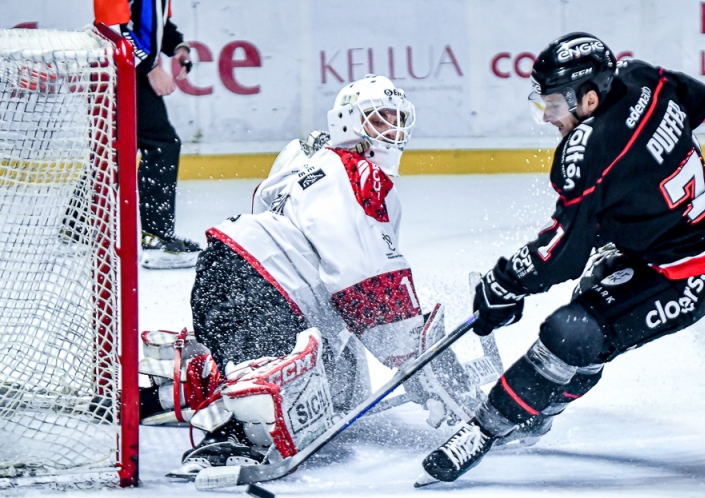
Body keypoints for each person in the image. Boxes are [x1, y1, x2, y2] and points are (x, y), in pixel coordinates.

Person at [417, 32, 705, 486]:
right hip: (677, 234)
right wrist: (649, 187)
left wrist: (506, 283)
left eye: (553, 104)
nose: (548, 116)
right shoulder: (642, 77)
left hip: (687, 273)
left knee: (572, 332)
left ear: (589, 98)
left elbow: (563, 255)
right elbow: (699, 100)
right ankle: (545, 403)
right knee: (591, 306)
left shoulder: (587, 150)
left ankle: (488, 427)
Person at [139, 75, 480, 477]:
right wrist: (410, 354)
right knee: (277, 385)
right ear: (348, 121)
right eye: (379, 119)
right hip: (263, 284)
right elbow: (364, 276)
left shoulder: (310, 159)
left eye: (398, 119)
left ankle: (168, 394)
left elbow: (264, 200)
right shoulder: (360, 173)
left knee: (334, 387)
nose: (392, 130)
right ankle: (236, 437)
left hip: (235, 266)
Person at [119, 1, 202, 269]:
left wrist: (178, 48)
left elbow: (153, 26)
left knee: (116, 151)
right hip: (121, 72)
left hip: (128, 70)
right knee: (162, 145)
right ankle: (156, 241)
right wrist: (150, 69)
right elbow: (111, 28)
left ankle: (77, 228)